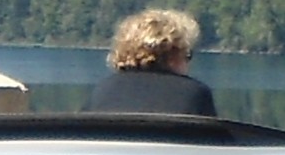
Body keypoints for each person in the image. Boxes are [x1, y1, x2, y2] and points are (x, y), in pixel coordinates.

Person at [88, 7, 218, 118]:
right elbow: (215, 144)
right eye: (187, 55)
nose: (188, 64)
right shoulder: (195, 93)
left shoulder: (103, 90)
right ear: (173, 55)